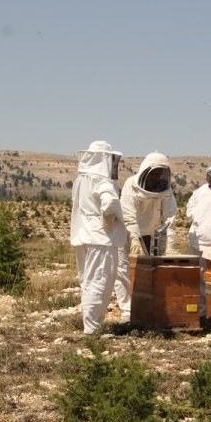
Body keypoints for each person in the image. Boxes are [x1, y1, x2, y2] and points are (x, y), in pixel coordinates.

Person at [70, 140, 126, 334]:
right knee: (100, 281)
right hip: (101, 239)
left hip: (83, 236)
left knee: (88, 281)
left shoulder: (81, 180)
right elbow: (109, 202)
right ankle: (92, 329)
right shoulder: (102, 180)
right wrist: (108, 221)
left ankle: (91, 325)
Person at [114, 151, 178, 320]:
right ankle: (128, 311)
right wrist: (135, 238)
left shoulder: (165, 190)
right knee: (124, 270)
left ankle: (149, 306)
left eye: (160, 173)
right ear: (145, 171)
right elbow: (128, 214)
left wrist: (170, 244)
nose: (156, 177)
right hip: (127, 233)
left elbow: (170, 217)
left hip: (152, 233)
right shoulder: (131, 184)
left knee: (152, 271)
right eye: (154, 172)